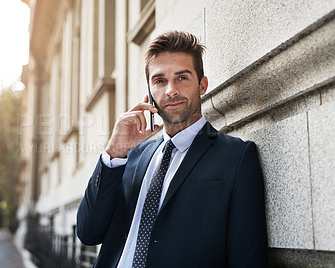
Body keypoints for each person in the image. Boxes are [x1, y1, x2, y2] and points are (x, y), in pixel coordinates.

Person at [77, 31, 268, 267]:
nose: (171, 90)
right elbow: (88, 232)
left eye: (182, 77)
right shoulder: (132, 157)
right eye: (160, 81)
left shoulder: (236, 158)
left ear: (202, 84)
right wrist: (113, 153)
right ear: (150, 92)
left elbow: (247, 259)